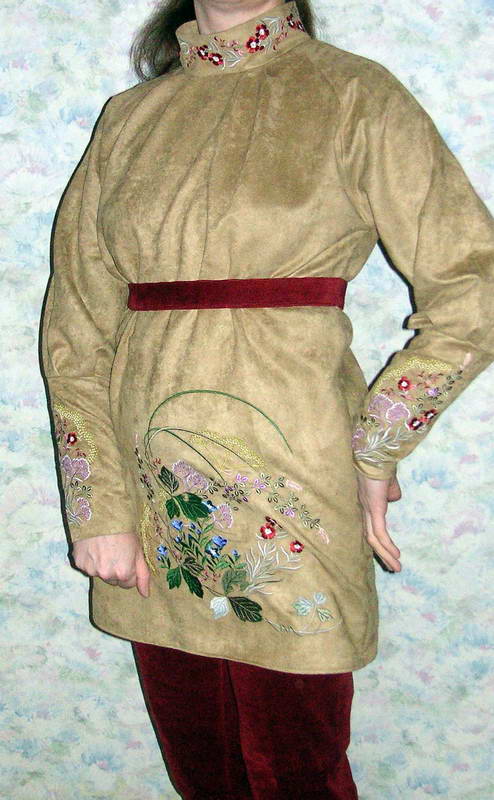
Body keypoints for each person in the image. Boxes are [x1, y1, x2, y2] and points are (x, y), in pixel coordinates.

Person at [40, 0, 494, 797]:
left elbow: (474, 290)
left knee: (298, 770)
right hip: (150, 497)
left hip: (295, 480)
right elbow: (75, 335)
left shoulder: (353, 94)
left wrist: (378, 445)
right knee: (204, 767)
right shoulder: (129, 119)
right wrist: (97, 507)